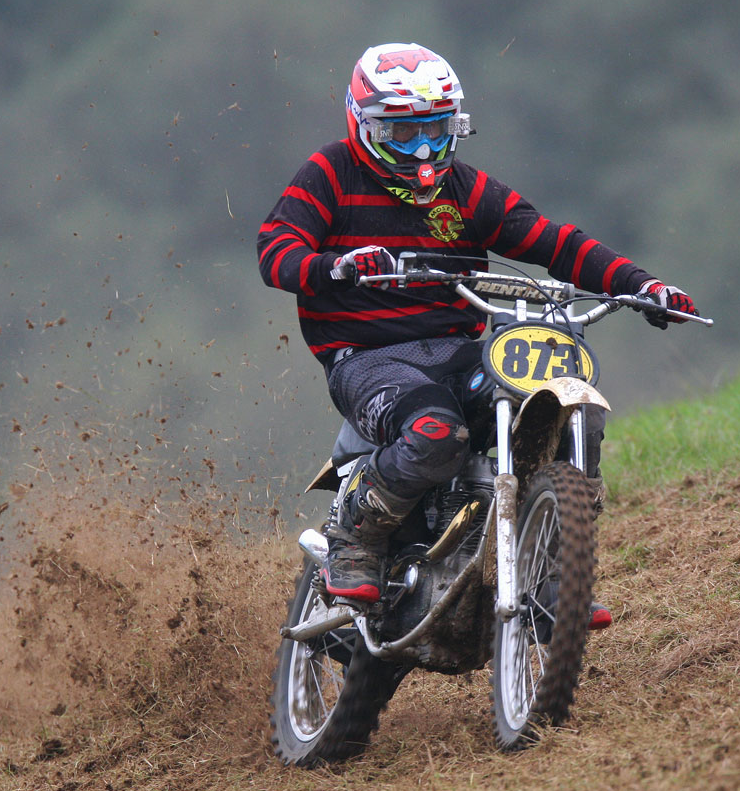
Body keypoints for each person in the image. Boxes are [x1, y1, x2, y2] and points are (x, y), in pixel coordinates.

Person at [257, 43, 696, 626]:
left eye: (436, 131)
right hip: (367, 358)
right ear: (364, 125)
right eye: (402, 133)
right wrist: (332, 267)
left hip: (460, 353)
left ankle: (557, 573)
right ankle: (357, 536)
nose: (423, 150)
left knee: (573, 410)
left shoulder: (465, 188)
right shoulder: (331, 172)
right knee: (436, 432)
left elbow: (554, 242)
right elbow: (276, 248)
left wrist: (643, 285)